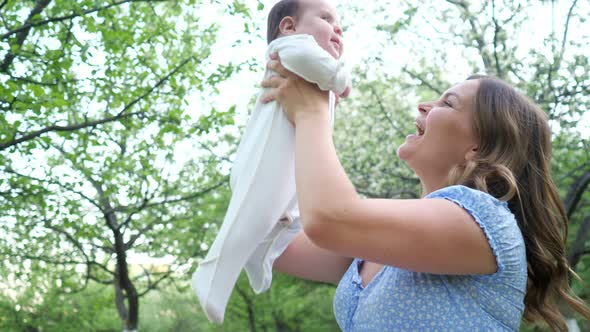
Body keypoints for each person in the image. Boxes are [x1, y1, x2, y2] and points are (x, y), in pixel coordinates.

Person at [261, 58, 590, 329]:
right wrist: (281, 115)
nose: (423, 104)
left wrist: (311, 113)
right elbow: (267, 245)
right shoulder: (376, 248)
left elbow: (329, 220)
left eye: (448, 102)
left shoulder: (486, 222)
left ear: (478, 147)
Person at [192, 0, 351, 323]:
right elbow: (314, 63)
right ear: (289, 26)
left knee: (290, 217)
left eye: (339, 24)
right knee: (255, 214)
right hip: (265, 162)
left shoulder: (308, 66)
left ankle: (262, 256)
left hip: (290, 164)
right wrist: (339, 76)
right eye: (325, 18)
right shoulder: (290, 48)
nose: (337, 28)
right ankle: (211, 277)